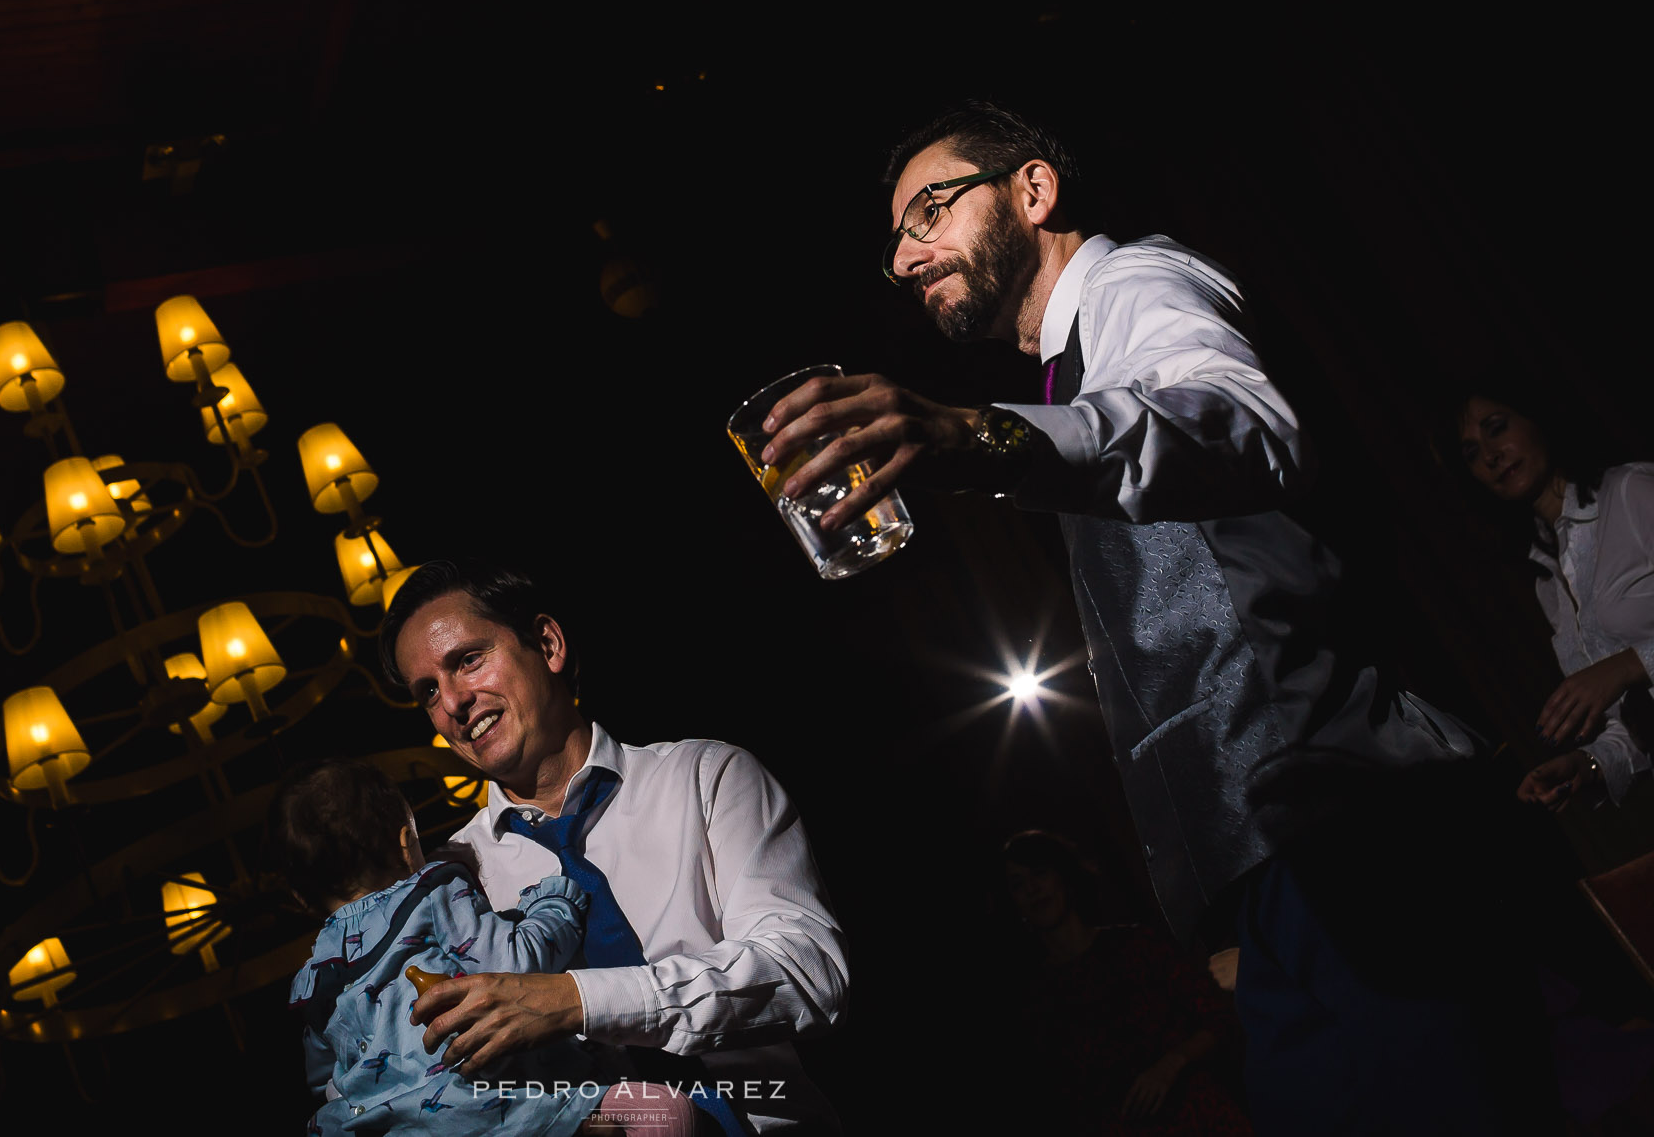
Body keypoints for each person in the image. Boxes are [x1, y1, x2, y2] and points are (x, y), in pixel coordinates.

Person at [755, 100, 1550, 1131]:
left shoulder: (1137, 281)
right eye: (895, 243)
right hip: (1271, 882)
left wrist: (980, 438)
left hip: (1355, 840)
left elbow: (1241, 419)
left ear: (1031, 191)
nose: (906, 260)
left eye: (928, 214)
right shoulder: (1064, 373)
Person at [377, 560, 849, 1134]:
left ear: (547, 644)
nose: (452, 702)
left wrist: (573, 1000)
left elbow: (808, 969)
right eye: (428, 692)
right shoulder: (448, 882)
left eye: (468, 660)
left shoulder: (706, 775)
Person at [274, 757, 622, 1135]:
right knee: (664, 1113)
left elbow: (322, 1078)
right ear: (407, 846)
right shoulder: (429, 894)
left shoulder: (309, 982)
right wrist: (554, 902)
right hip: (501, 1110)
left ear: (301, 898)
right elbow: (515, 963)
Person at [1451, 386, 1652, 810]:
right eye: (1471, 453)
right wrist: (1588, 764)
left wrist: (1629, 665)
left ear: (1537, 419)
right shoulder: (1548, 580)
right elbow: (1635, 725)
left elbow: (1621, 674)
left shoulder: (1631, 491)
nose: (1490, 456)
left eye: (1497, 429)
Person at [1002, 830, 1250, 1136]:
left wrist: (1171, 1063)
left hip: (1201, 1118)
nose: (1032, 889)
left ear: (1062, 876)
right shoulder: (1035, 1001)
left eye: (1039, 873)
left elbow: (1216, 1018)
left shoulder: (1137, 945)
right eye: (1017, 883)